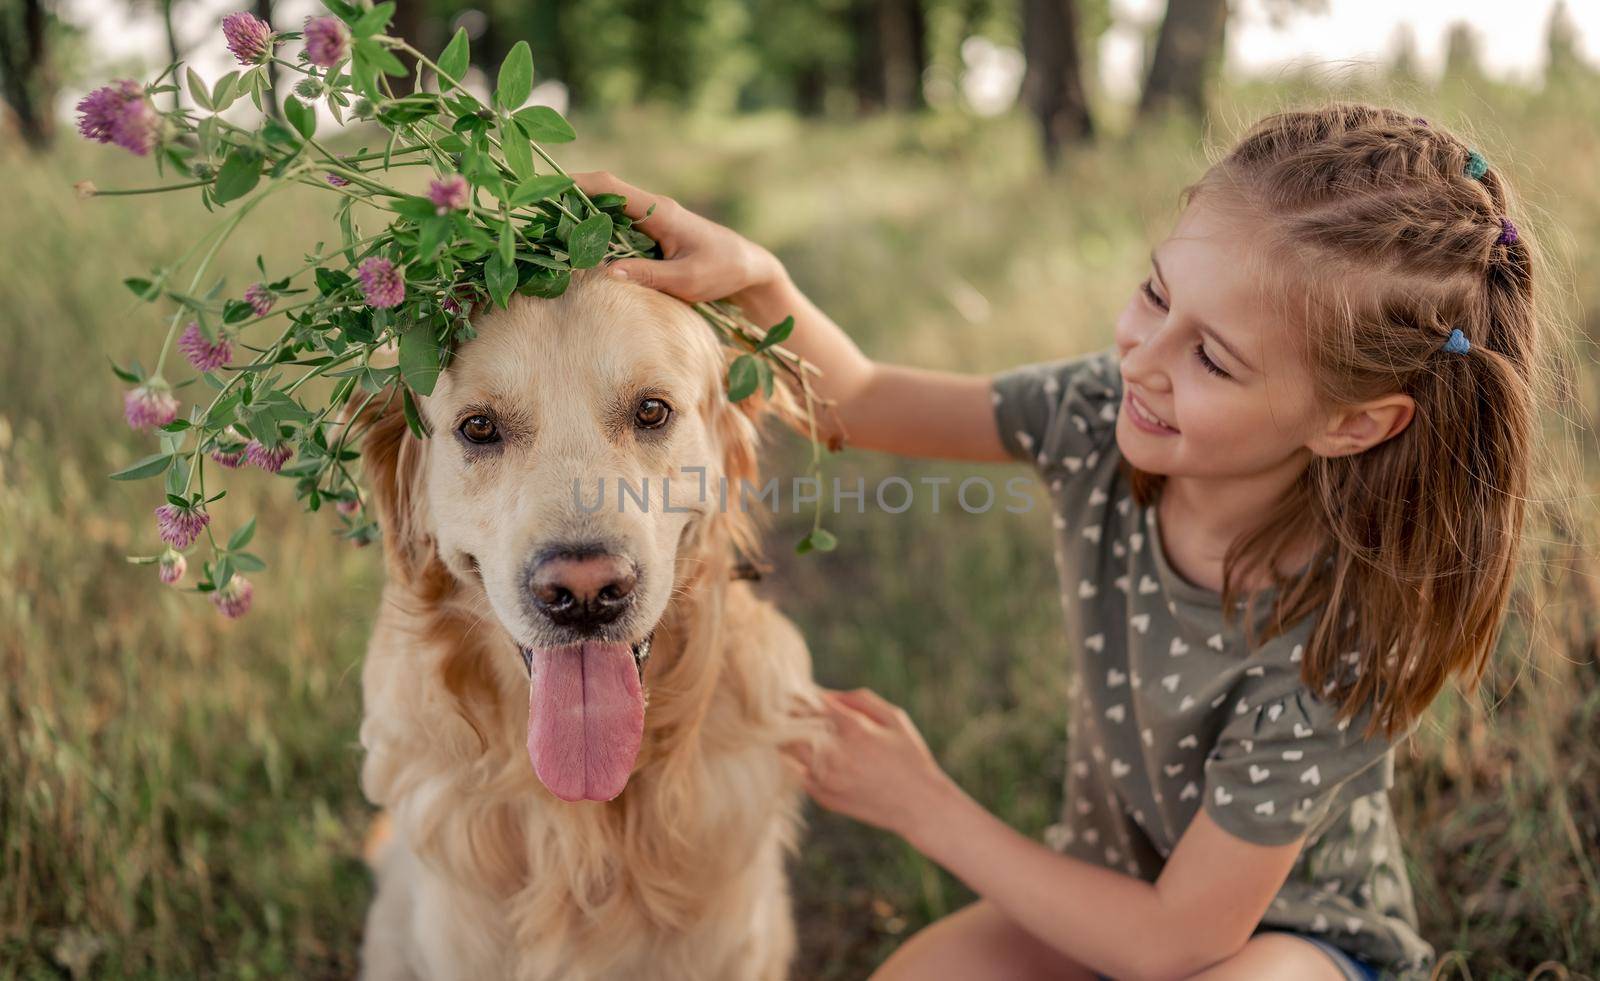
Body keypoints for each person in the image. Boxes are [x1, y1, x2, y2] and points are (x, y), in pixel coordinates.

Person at [574, 103, 1548, 980]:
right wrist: (757, 275)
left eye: (1211, 356)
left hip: (1285, 950)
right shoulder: (1097, 412)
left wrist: (924, 804)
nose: (1141, 359)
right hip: (1096, 896)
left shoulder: (1340, 636)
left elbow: (1178, 942)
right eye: (1156, 295)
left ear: (1351, 424)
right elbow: (860, 401)